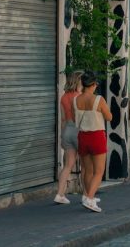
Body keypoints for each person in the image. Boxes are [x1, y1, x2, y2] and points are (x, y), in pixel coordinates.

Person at [74, 72, 113, 213]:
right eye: (96, 84)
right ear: (93, 84)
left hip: (82, 136)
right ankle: (90, 198)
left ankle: (86, 195)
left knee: (87, 170)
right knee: (99, 171)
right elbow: (109, 117)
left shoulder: (76, 99)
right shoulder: (99, 99)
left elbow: (74, 119)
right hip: (96, 136)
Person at [55, 70, 83, 205]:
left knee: (67, 165)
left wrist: (62, 137)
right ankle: (87, 195)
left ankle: (60, 194)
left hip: (67, 131)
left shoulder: (63, 97)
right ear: (79, 81)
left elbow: (63, 119)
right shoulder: (80, 97)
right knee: (86, 164)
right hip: (78, 130)